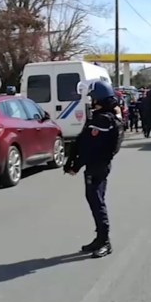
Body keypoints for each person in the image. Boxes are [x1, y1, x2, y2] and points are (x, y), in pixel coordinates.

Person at [64, 80, 124, 258]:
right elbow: (82, 141)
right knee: (95, 200)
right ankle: (99, 238)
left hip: (97, 166)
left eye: (92, 97)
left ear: (99, 98)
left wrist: (75, 166)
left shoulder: (103, 120)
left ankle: (105, 241)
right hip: (99, 165)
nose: (90, 100)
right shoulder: (103, 117)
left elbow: (88, 147)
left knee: (97, 202)